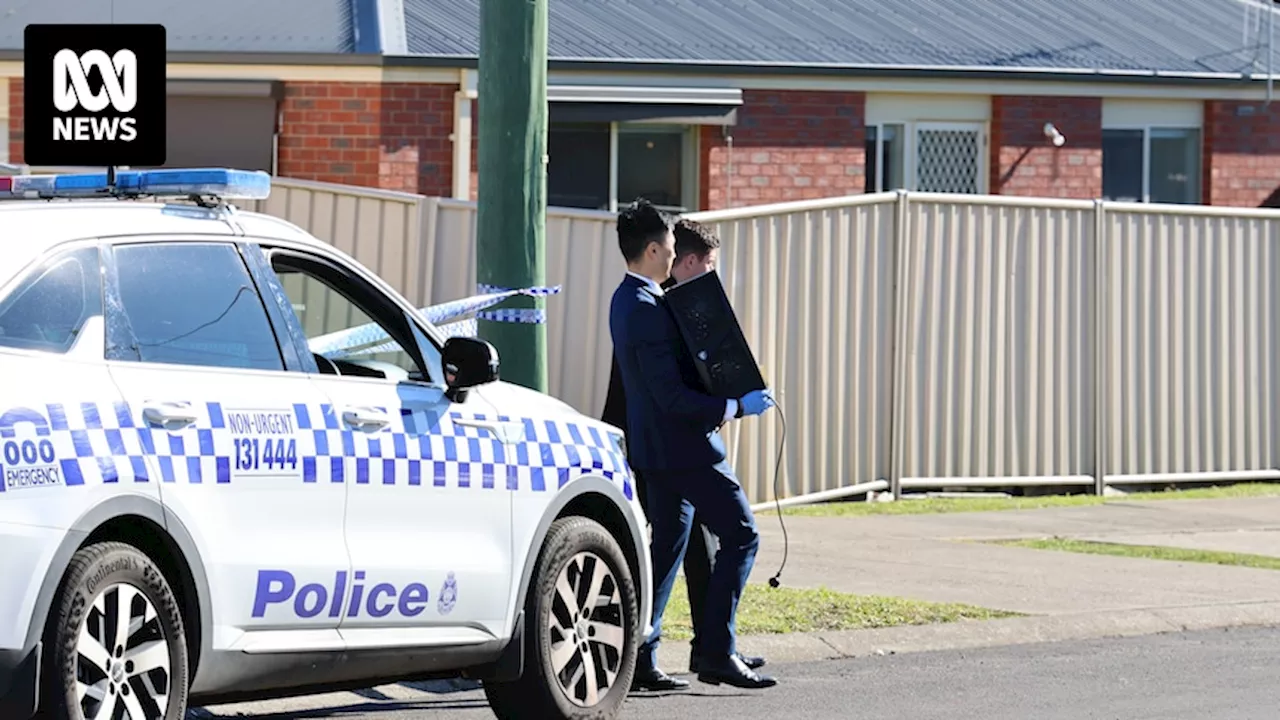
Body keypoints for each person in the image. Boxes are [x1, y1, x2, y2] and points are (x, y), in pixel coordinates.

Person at [608, 199, 778, 691]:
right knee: (742, 535)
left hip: (660, 452)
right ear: (656, 248)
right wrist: (735, 407)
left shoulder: (632, 299)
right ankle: (716, 652)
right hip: (683, 450)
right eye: (670, 247)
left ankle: (641, 656)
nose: (674, 254)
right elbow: (669, 397)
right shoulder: (643, 307)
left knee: (667, 550)